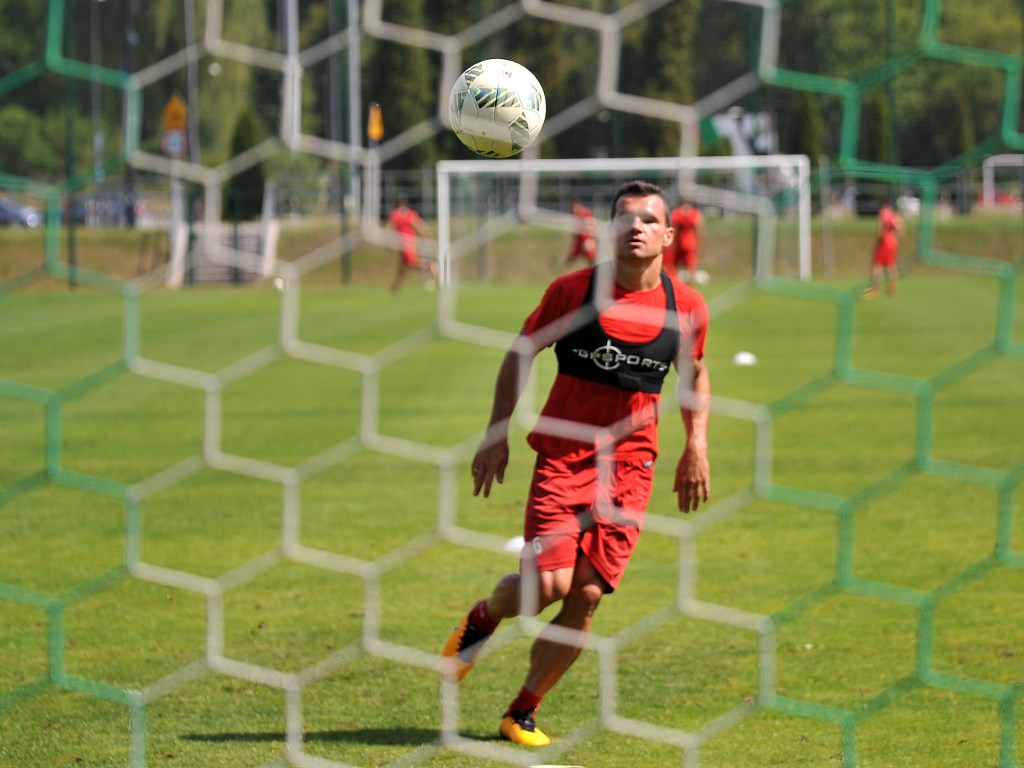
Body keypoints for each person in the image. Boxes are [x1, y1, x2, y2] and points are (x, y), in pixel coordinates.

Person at [441, 180, 712, 747]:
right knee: (548, 585)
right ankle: (483, 618)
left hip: (630, 468)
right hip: (564, 457)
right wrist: (496, 432)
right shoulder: (572, 292)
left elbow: (695, 374)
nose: (635, 226)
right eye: (624, 217)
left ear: (668, 235)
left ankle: (522, 712)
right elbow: (522, 351)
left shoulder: (686, 307)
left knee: (587, 594)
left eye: (648, 219)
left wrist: (697, 446)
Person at [387, 195, 436, 292]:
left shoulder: (396, 214)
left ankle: (431, 265)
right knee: (403, 264)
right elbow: (419, 227)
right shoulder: (409, 214)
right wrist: (427, 237)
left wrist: (388, 240)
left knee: (411, 262)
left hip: (406, 243)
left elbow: (389, 228)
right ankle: (396, 285)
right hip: (408, 243)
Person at [864, 202, 904, 298]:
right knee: (890, 264)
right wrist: (896, 237)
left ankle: (874, 288)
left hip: (884, 241)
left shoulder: (882, 213)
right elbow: (902, 227)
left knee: (877, 265)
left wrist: (878, 239)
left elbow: (880, 227)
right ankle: (892, 283)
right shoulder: (894, 214)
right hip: (893, 241)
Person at [664, 198, 704, 284]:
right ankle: (686, 286)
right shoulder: (694, 213)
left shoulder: (677, 213)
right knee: (690, 268)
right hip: (690, 243)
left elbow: (674, 229)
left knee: (675, 266)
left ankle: (675, 285)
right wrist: (699, 244)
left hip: (680, 242)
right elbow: (698, 229)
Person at [560, 198, 597, 271]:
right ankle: (562, 273)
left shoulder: (580, 215)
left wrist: (586, 240)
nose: (571, 211)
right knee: (572, 260)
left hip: (584, 240)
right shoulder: (588, 212)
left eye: (572, 208)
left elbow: (585, 229)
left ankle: (562, 274)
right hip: (587, 240)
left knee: (590, 262)